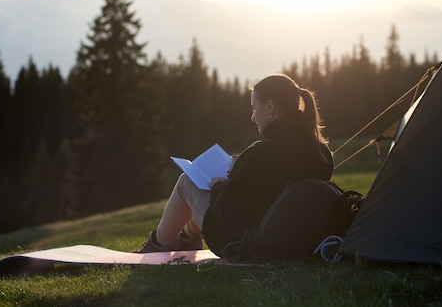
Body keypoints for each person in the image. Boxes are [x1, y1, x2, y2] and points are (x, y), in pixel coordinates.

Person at [135, 73, 334, 256]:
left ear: (270, 107)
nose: (253, 116)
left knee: (187, 181)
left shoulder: (263, 153)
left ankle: (158, 245)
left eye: (255, 108)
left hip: (243, 242)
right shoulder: (320, 152)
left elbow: (225, 211)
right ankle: (187, 238)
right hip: (290, 238)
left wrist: (219, 187)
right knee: (206, 193)